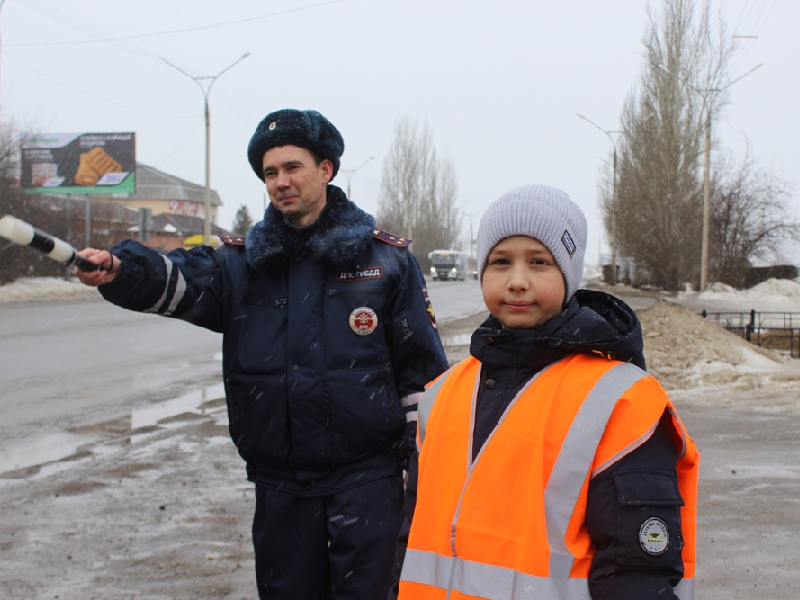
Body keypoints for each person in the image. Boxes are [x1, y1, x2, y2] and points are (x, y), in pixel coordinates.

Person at [75, 108, 448, 600]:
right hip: (282, 489)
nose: (281, 182)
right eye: (270, 173)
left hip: (367, 483)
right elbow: (177, 279)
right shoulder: (239, 265)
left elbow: (421, 380)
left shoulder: (386, 262)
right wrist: (123, 269)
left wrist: (422, 479)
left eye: (292, 167)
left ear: (326, 169)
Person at [395, 184, 699, 599]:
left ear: (568, 274)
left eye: (539, 262)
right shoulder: (442, 395)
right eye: (501, 262)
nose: (517, 281)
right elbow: (411, 535)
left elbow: (638, 572)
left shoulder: (620, 401)